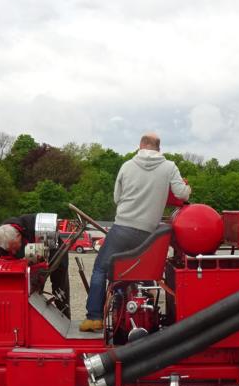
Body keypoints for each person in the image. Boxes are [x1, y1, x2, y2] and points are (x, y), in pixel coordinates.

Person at [79, 133, 190, 332]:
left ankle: (94, 318)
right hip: (149, 233)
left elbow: (117, 198)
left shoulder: (127, 166)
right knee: (143, 271)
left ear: (141, 145)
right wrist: (186, 188)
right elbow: (182, 194)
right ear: (158, 148)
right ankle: (148, 314)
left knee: (101, 269)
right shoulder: (169, 167)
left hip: (122, 228)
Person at [0, 214, 70, 317]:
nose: (14, 252)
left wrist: (42, 269)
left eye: (15, 247)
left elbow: (46, 259)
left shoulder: (33, 226)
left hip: (52, 248)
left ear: (19, 235)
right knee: (31, 288)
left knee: (60, 287)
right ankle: (30, 315)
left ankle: (64, 315)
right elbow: (13, 267)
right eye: (10, 250)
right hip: (33, 251)